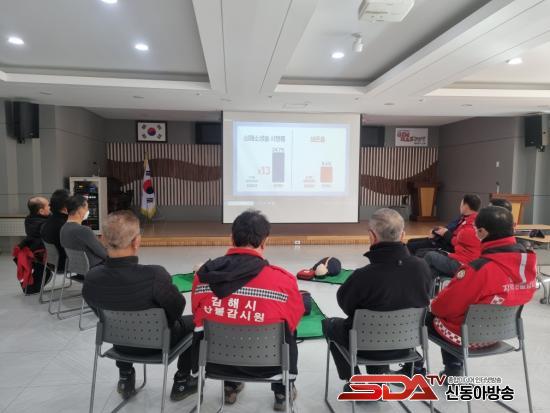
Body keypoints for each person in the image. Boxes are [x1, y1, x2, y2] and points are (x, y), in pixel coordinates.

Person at [191, 210, 304, 411]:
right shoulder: (283, 281)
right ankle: (282, 392)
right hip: (269, 366)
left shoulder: (203, 277)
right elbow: (294, 321)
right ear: (265, 242)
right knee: (288, 330)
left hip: (214, 364)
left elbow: (197, 316)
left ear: (232, 239)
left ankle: (230, 386)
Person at [82, 211, 196, 401]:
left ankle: (125, 377)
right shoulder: (155, 275)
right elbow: (177, 309)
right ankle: (182, 381)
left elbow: (101, 314)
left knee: (119, 318)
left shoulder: (92, 278)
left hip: (119, 343)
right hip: (158, 343)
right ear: (137, 241)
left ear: (102, 240)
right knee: (197, 322)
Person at [322, 208, 432, 387]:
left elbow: (346, 306)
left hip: (366, 345)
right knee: (375, 322)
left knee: (330, 324)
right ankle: (381, 378)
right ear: (403, 235)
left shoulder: (363, 276)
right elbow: (425, 299)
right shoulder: (422, 267)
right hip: (407, 344)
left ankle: (358, 383)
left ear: (372, 236)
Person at [429, 206, 537, 376]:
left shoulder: (479, 269)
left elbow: (443, 307)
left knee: (425, 316)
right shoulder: (528, 262)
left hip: (470, 336)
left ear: (482, 232)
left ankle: (443, 369)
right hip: (502, 332)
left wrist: (432, 304)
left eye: (475, 229)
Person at [424, 194, 481, 280]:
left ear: (465, 205)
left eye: (461, 203)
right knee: (433, 268)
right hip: (459, 257)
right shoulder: (472, 223)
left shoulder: (470, 226)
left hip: (462, 264)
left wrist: (445, 233)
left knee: (429, 255)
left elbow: (456, 239)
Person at [60, 194, 107, 269]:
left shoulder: (63, 228)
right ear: (80, 209)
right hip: (96, 267)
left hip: (78, 268)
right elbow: (103, 254)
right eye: (87, 208)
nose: (88, 211)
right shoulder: (83, 230)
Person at [41, 189, 70, 272]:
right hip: (65, 264)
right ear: (65, 207)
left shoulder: (47, 222)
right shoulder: (65, 226)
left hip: (52, 263)